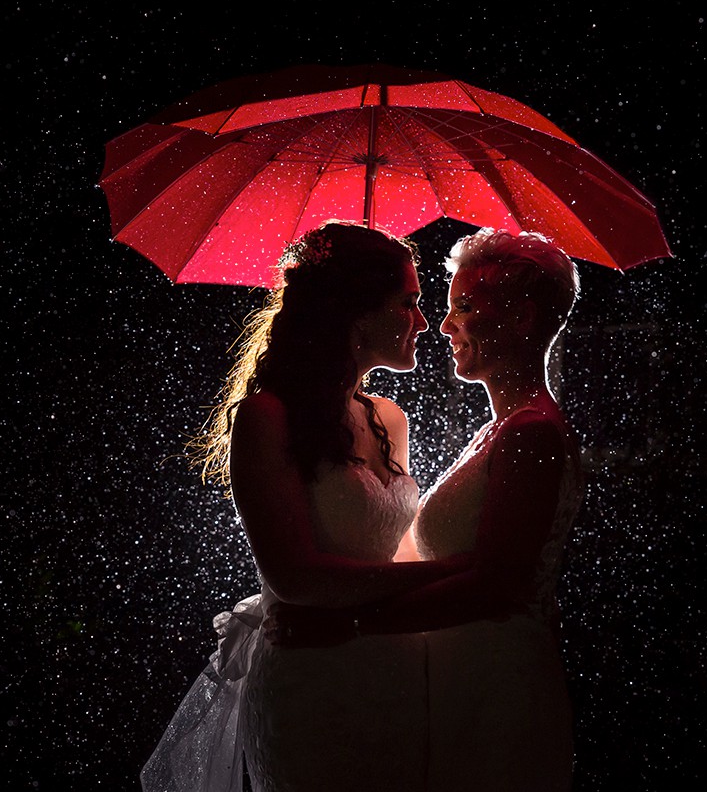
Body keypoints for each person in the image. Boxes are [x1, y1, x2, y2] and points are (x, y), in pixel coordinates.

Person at [140, 221, 470, 792]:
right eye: (408, 302)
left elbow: (397, 553)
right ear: (355, 310)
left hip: (394, 675)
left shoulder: (390, 420)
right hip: (314, 679)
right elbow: (293, 576)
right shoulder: (267, 418)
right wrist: (452, 574)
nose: (422, 322)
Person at [269, 227, 584, 792]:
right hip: (454, 681)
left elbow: (497, 582)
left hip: (495, 686)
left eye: (464, 306)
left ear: (522, 320)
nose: (443, 325)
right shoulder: (499, 431)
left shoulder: (532, 433)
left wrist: (349, 624)